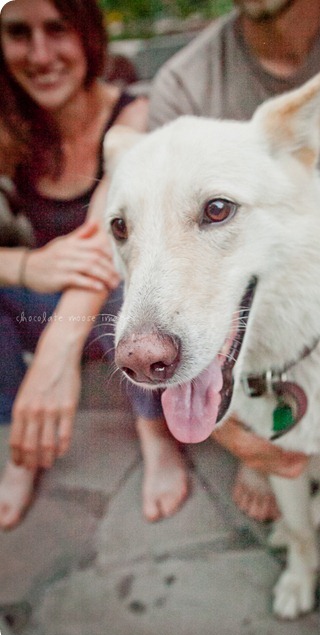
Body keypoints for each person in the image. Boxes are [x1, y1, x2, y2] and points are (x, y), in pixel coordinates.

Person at [136, 0, 320, 521]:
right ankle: (257, 422)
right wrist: (222, 418)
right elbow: (154, 253)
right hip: (260, 291)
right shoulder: (186, 84)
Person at [0, 0, 155, 529]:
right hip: (48, 302)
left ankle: (155, 439)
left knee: (128, 285)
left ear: (88, 34)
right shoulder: (11, 130)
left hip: (110, 301)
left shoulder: (132, 115)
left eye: (57, 29)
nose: (40, 54)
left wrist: (53, 358)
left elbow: (99, 242)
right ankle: (16, 437)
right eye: (19, 33)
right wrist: (25, 266)